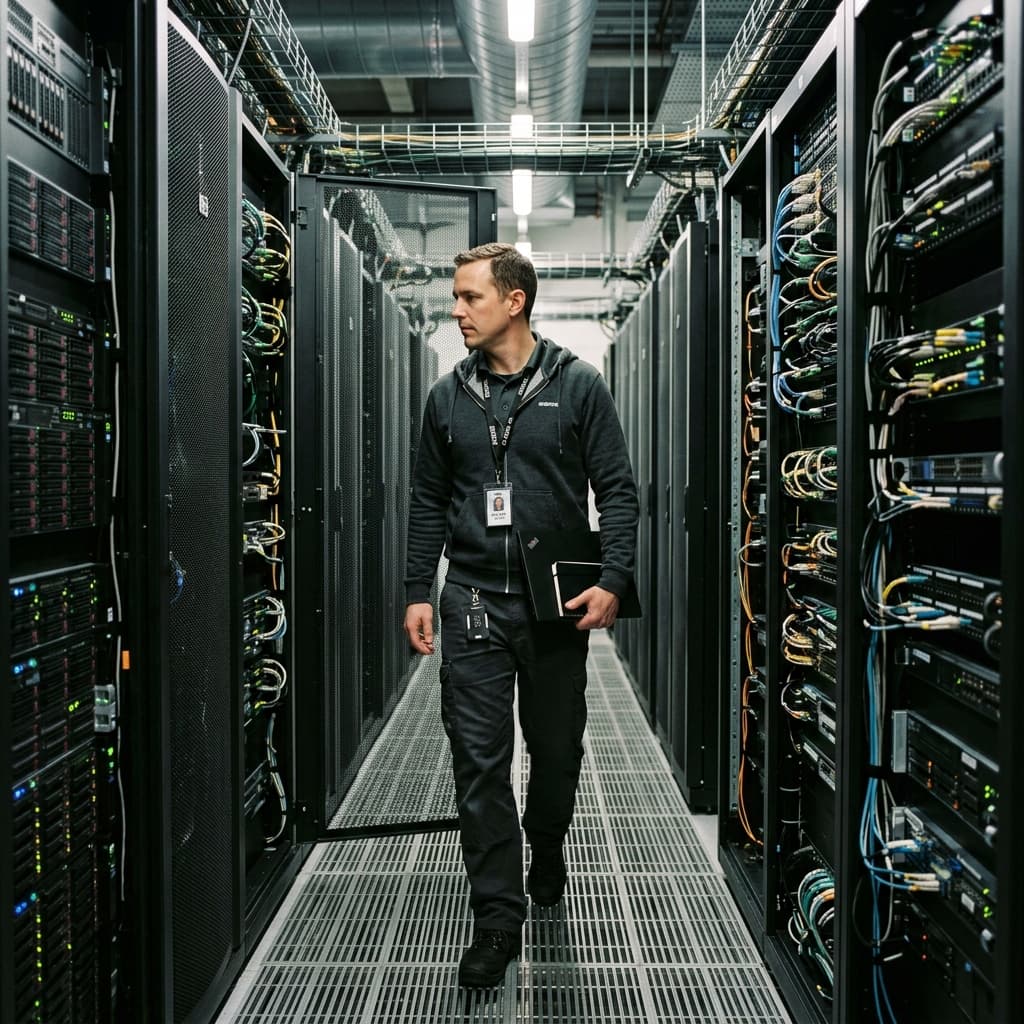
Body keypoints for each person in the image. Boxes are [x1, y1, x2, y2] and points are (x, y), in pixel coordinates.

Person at [402, 242, 639, 988]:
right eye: (457, 296)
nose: (457, 310)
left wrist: (614, 580)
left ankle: (548, 841)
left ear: (515, 301)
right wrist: (417, 588)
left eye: (471, 297)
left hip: (554, 606)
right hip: (470, 598)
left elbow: (620, 492)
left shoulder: (578, 388)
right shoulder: (447, 398)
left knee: (558, 752)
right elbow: (426, 502)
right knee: (478, 765)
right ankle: (496, 919)